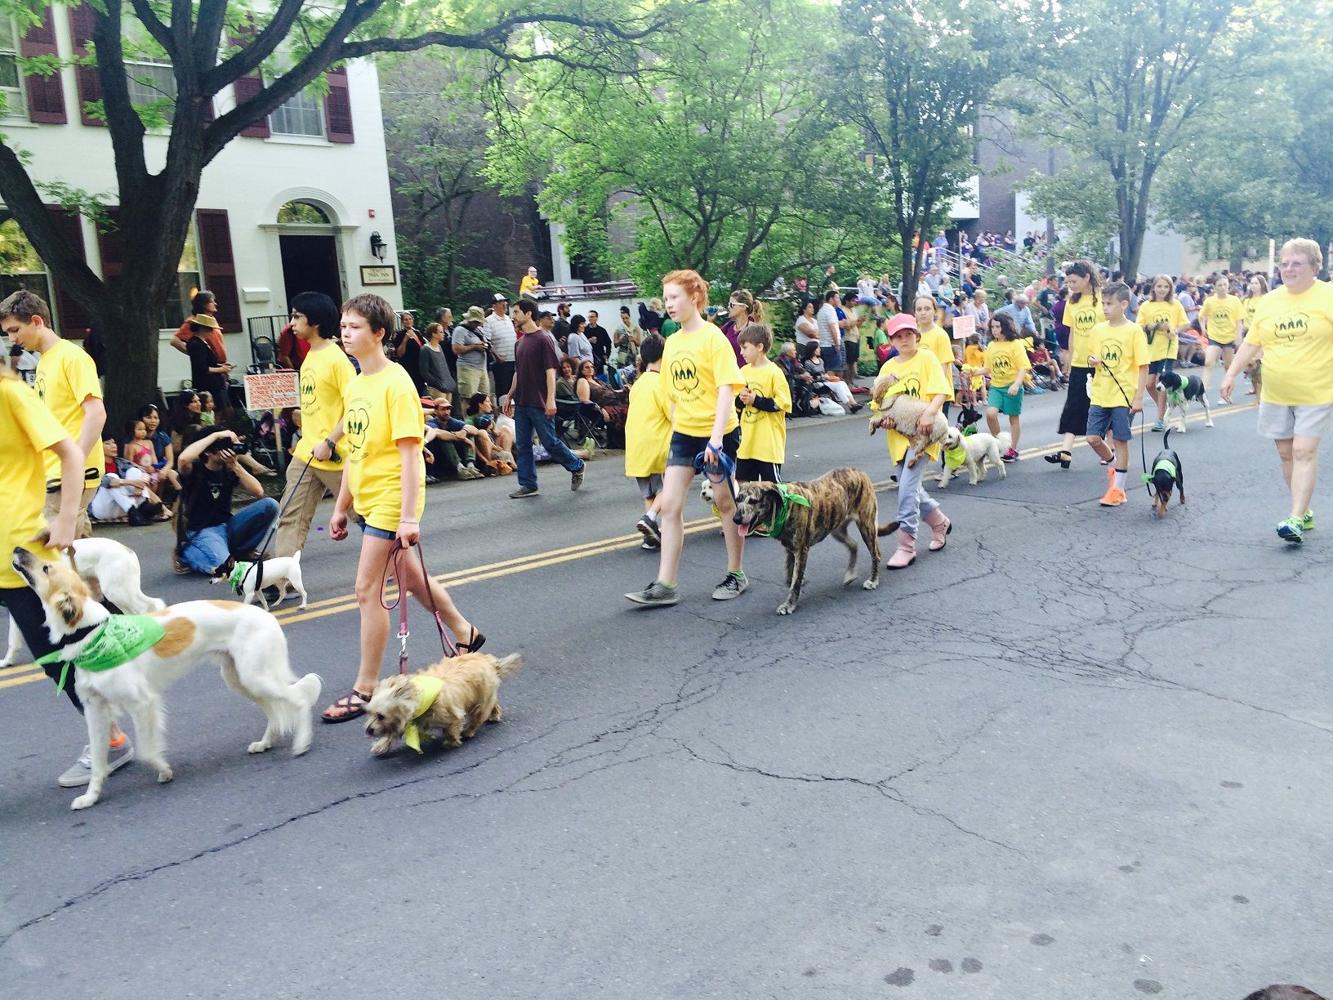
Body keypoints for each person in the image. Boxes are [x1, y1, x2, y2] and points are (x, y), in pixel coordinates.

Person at [323, 294, 483, 723]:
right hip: (368, 499)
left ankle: (364, 687)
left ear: (378, 333)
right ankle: (466, 632)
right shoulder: (357, 385)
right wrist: (341, 507)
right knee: (411, 578)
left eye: (354, 326)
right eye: (343, 325)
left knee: (365, 591)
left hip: (393, 503)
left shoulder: (397, 384)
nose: (345, 332)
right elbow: (354, 453)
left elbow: (411, 455)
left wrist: (409, 517)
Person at [0, 367, 134, 786]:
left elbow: (70, 452)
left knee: (55, 657)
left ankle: (111, 740)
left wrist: (66, 518)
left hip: (20, 553)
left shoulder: (11, 394)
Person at [625, 269, 747, 607]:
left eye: (674, 297)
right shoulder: (673, 343)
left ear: (694, 297)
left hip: (717, 434)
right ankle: (666, 584)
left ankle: (736, 573)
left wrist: (717, 439)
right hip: (685, 435)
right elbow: (673, 393)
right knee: (671, 506)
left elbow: (726, 389)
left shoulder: (713, 339)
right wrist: (679, 427)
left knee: (725, 503)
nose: (669, 304)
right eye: (665, 299)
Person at [1221, 238, 1333, 544]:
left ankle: (1295, 518)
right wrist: (1230, 373)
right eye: (1284, 263)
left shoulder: (1327, 296)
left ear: (1315, 266)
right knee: (1286, 453)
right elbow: (1252, 342)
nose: (1289, 268)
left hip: (1317, 390)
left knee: (1303, 450)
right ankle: (1304, 509)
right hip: (1276, 390)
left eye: (1297, 263)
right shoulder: (1271, 301)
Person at [0, 290, 105, 538]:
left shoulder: (72, 357)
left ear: (37, 321)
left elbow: (96, 413)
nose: (11, 339)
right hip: (55, 473)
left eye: (15, 330)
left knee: (48, 560)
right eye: (7, 333)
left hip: (66, 475)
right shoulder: (46, 360)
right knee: (73, 558)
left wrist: (75, 462)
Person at [273, 291, 353, 558]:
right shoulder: (310, 356)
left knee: (368, 517)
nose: (291, 323)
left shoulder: (337, 360)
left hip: (336, 457)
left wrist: (330, 442)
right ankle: (281, 580)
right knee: (289, 516)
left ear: (315, 322)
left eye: (297, 316)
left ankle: (397, 561)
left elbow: (355, 408)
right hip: (307, 453)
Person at [871, 313, 951, 569]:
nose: (904, 339)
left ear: (916, 336)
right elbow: (878, 404)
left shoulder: (926, 358)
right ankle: (940, 522)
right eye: (898, 336)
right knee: (913, 489)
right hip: (898, 438)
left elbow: (941, 391)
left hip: (924, 436)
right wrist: (884, 420)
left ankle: (906, 546)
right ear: (891, 340)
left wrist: (929, 413)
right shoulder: (888, 367)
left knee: (905, 491)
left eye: (908, 334)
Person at [505, 306, 587, 499]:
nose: (513, 316)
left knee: (550, 442)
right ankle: (528, 484)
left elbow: (551, 371)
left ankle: (577, 465)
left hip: (539, 401)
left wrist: (550, 399)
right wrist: (509, 394)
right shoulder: (519, 343)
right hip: (522, 401)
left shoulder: (543, 339)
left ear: (528, 314)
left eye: (516, 312)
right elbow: (518, 371)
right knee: (524, 445)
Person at [174, 427, 279, 575]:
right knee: (225, 567)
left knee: (270, 505)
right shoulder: (194, 470)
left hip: (228, 526)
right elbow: (183, 459)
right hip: (202, 531)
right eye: (224, 448)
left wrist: (236, 466)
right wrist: (216, 435)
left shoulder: (229, 468)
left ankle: (243, 551)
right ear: (208, 451)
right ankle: (187, 554)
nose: (229, 451)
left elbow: (258, 492)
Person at [1084, 282, 1150, 508]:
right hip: (1101, 392)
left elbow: (1143, 365)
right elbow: (1090, 358)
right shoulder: (1098, 330)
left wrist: (1139, 396)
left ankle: (1119, 489)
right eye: (1103, 303)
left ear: (1123, 304)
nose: (1105, 308)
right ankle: (1114, 466)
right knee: (1092, 438)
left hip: (1124, 393)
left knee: (1120, 439)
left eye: (1109, 303)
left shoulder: (1134, 331)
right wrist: (1092, 361)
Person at [1046, 260, 1102, 470]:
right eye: (1068, 281)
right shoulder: (1072, 302)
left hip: (1102, 362)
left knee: (1104, 404)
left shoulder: (1103, 298)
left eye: (1074, 281)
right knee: (1074, 405)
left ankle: (1111, 449)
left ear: (1087, 277)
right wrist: (1069, 358)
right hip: (1080, 361)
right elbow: (1071, 333)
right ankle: (1066, 451)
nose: (1070, 285)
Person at [624, 334, 671, 547]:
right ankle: (650, 518)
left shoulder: (639, 383)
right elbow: (673, 414)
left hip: (637, 445)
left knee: (650, 491)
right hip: (658, 443)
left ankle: (650, 535)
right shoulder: (662, 382)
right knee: (668, 485)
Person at [735, 323, 791, 482]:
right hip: (747, 443)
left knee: (772, 488)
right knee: (743, 486)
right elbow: (737, 407)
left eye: (745, 347)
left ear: (759, 347)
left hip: (768, 444)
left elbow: (782, 404)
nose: (741, 352)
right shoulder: (743, 372)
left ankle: (781, 508)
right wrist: (741, 399)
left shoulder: (774, 372)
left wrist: (756, 400)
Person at [1136, 275, 1191, 431]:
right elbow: (1139, 325)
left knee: (1163, 381)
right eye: (1159, 286)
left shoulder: (1175, 305)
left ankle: (1160, 419)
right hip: (1151, 349)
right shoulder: (1146, 306)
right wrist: (1154, 326)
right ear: (1153, 288)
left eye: (1166, 287)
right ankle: (1164, 406)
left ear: (1170, 288)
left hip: (1168, 348)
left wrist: (1174, 331)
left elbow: (1185, 323)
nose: (1162, 290)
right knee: (1149, 384)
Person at [980, 313, 1029, 462]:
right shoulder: (991, 345)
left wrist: (1016, 384)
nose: (995, 330)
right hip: (996, 386)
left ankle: (1011, 449)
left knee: (1013, 418)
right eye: (992, 327)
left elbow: (1023, 367)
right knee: (990, 414)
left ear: (1005, 327)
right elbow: (987, 368)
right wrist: (973, 371)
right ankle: (999, 444)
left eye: (998, 326)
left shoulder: (1015, 344)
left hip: (1012, 386)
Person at [89, 435, 168, 524]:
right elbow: (106, 481)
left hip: (122, 508)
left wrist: (141, 483)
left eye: (114, 443)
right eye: (108, 443)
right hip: (102, 509)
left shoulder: (121, 462)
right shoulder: (94, 466)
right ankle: (133, 512)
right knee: (112, 477)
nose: (113, 446)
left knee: (134, 471)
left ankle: (143, 506)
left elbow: (144, 473)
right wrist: (133, 483)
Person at [1198, 277, 1245, 403]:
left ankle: (1226, 394)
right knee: (1208, 363)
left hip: (1229, 337)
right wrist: (1203, 328)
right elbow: (1201, 316)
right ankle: (1202, 392)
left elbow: (1239, 320)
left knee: (1228, 367)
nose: (1223, 287)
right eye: (1220, 285)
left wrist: (1238, 336)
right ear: (1215, 287)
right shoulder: (1210, 301)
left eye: (1225, 284)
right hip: (1214, 336)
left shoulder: (1234, 300)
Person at [915, 295, 957, 418]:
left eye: (927, 309)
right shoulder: (913, 334)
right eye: (919, 309)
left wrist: (936, 394)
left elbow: (943, 368)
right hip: (919, 390)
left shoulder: (941, 335)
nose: (923, 313)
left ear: (934, 311)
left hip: (938, 392)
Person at [184, 313, 233, 407]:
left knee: (221, 409)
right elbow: (202, 368)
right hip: (207, 385)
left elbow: (209, 362)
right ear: (202, 328)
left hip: (213, 383)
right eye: (209, 329)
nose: (211, 331)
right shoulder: (196, 344)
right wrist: (222, 370)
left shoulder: (202, 342)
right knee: (213, 410)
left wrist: (222, 366)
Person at [483, 294, 517, 405]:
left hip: (514, 360)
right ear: (494, 305)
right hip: (501, 362)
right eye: (501, 302)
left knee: (514, 389)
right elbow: (487, 341)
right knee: (503, 391)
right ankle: (503, 414)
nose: (504, 304)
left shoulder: (508, 319)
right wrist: (496, 356)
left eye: (505, 302)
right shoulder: (488, 321)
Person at [451, 306, 491, 401]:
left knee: (484, 397)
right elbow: (456, 349)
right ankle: (468, 415)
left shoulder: (478, 330)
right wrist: (475, 347)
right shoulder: (460, 330)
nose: (478, 324)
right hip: (468, 368)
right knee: (469, 398)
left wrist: (485, 345)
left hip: (481, 368)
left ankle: (482, 415)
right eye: (476, 322)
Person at [721, 290, 760, 367]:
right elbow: (712, 341)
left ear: (743, 307)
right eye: (728, 304)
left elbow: (758, 357)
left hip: (745, 375)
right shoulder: (728, 326)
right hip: (727, 373)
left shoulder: (754, 330)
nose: (728, 307)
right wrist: (710, 320)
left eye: (732, 304)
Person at [419, 321, 455, 402]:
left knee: (447, 410)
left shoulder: (439, 347)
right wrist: (437, 384)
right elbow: (425, 372)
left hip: (447, 386)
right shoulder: (425, 349)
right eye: (441, 332)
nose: (443, 334)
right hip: (436, 389)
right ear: (434, 334)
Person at [815, 290, 844, 372]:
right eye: (837, 298)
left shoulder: (821, 310)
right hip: (831, 345)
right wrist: (837, 344)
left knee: (828, 369)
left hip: (824, 345)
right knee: (834, 370)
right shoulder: (830, 310)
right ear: (831, 299)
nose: (839, 300)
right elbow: (833, 327)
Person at [584, 309, 613, 375]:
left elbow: (608, 344)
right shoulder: (584, 330)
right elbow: (581, 344)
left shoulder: (602, 330)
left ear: (596, 318)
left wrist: (607, 355)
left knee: (601, 377)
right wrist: (589, 340)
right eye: (589, 317)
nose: (590, 318)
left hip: (600, 358)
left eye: (592, 317)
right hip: (588, 359)